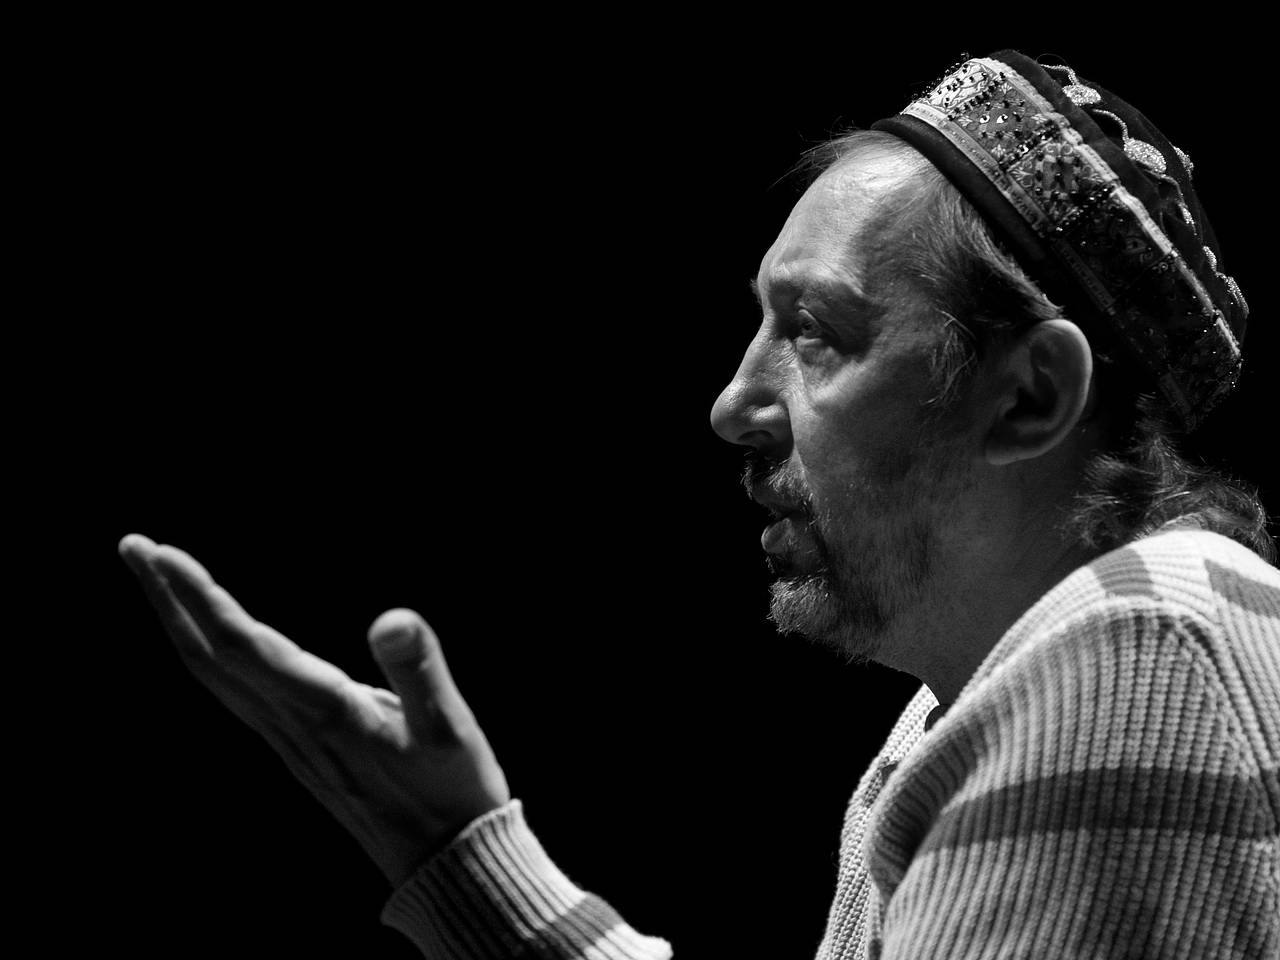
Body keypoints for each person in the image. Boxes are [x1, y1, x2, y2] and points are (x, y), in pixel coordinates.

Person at [119, 50, 1280, 959]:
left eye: (814, 332)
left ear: (1028, 397)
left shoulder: (1128, 648)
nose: (733, 403)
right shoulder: (995, 690)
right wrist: (458, 853)